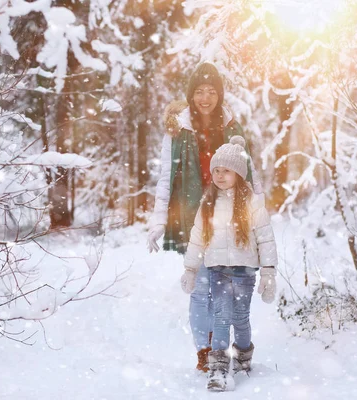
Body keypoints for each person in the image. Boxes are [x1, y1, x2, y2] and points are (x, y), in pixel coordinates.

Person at [147, 62, 263, 372]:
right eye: (199, 91)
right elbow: (165, 176)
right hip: (188, 217)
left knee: (221, 286)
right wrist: (159, 220)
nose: (205, 98)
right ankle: (205, 349)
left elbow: (249, 174)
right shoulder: (178, 129)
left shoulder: (232, 128)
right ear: (191, 94)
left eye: (212, 91)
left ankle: (219, 348)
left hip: (225, 216)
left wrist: (257, 211)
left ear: (220, 94)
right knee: (200, 287)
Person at [180, 135, 277, 391]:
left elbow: (265, 238)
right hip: (217, 270)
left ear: (239, 174)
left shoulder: (252, 203)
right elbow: (197, 238)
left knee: (240, 319)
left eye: (227, 171)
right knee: (221, 318)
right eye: (217, 171)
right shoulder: (208, 204)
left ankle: (243, 358)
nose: (220, 176)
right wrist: (190, 269)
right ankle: (219, 369)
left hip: (245, 271)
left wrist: (268, 272)